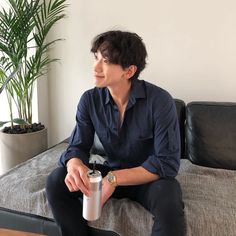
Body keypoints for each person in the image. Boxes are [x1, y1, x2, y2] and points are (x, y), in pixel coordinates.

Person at [46, 30, 185, 236]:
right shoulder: (89, 100)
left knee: (169, 197)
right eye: (96, 58)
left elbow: (167, 162)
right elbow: (77, 146)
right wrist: (74, 163)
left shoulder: (160, 101)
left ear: (128, 71)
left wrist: (114, 179)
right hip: (108, 174)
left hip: (146, 179)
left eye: (106, 61)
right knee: (56, 180)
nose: (96, 67)